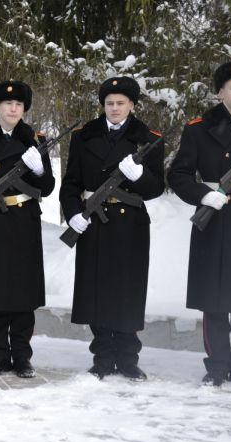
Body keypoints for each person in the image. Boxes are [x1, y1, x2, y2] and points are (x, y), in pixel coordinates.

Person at [59, 76, 165, 381]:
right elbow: (71, 183)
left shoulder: (149, 137)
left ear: (131, 105)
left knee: (127, 290)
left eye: (121, 103)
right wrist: (74, 214)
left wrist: (140, 175)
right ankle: (103, 356)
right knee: (97, 291)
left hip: (130, 224)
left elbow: (157, 187)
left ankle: (128, 358)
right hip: (94, 222)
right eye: (110, 103)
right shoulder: (84, 135)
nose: (115, 108)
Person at [0, 81, 55, 379]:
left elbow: (48, 188)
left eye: (19, 104)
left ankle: (22, 356)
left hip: (25, 219)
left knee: (23, 293)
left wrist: (39, 167)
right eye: (7, 104)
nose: (13, 108)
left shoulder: (35, 139)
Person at [168, 58, 231, 387]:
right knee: (214, 301)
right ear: (220, 93)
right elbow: (178, 174)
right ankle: (216, 367)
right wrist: (202, 194)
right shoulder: (198, 129)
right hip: (212, 221)